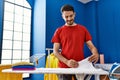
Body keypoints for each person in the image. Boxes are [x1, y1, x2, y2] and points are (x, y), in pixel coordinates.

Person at [51, 4, 99, 80]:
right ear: (62, 16)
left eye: (71, 16)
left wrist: (95, 53)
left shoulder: (83, 29)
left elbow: (91, 46)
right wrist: (67, 62)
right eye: (66, 17)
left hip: (80, 66)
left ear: (74, 14)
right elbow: (55, 51)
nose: (69, 18)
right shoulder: (58, 31)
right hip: (64, 67)